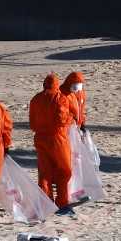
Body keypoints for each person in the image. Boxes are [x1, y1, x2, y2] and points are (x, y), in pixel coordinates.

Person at [29, 73, 76, 215]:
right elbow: (62, 119)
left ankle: (45, 202)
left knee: (44, 172)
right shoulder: (60, 98)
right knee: (64, 171)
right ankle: (62, 203)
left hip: (40, 138)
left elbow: (32, 123)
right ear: (56, 85)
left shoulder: (35, 99)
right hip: (57, 138)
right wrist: (71, 117)